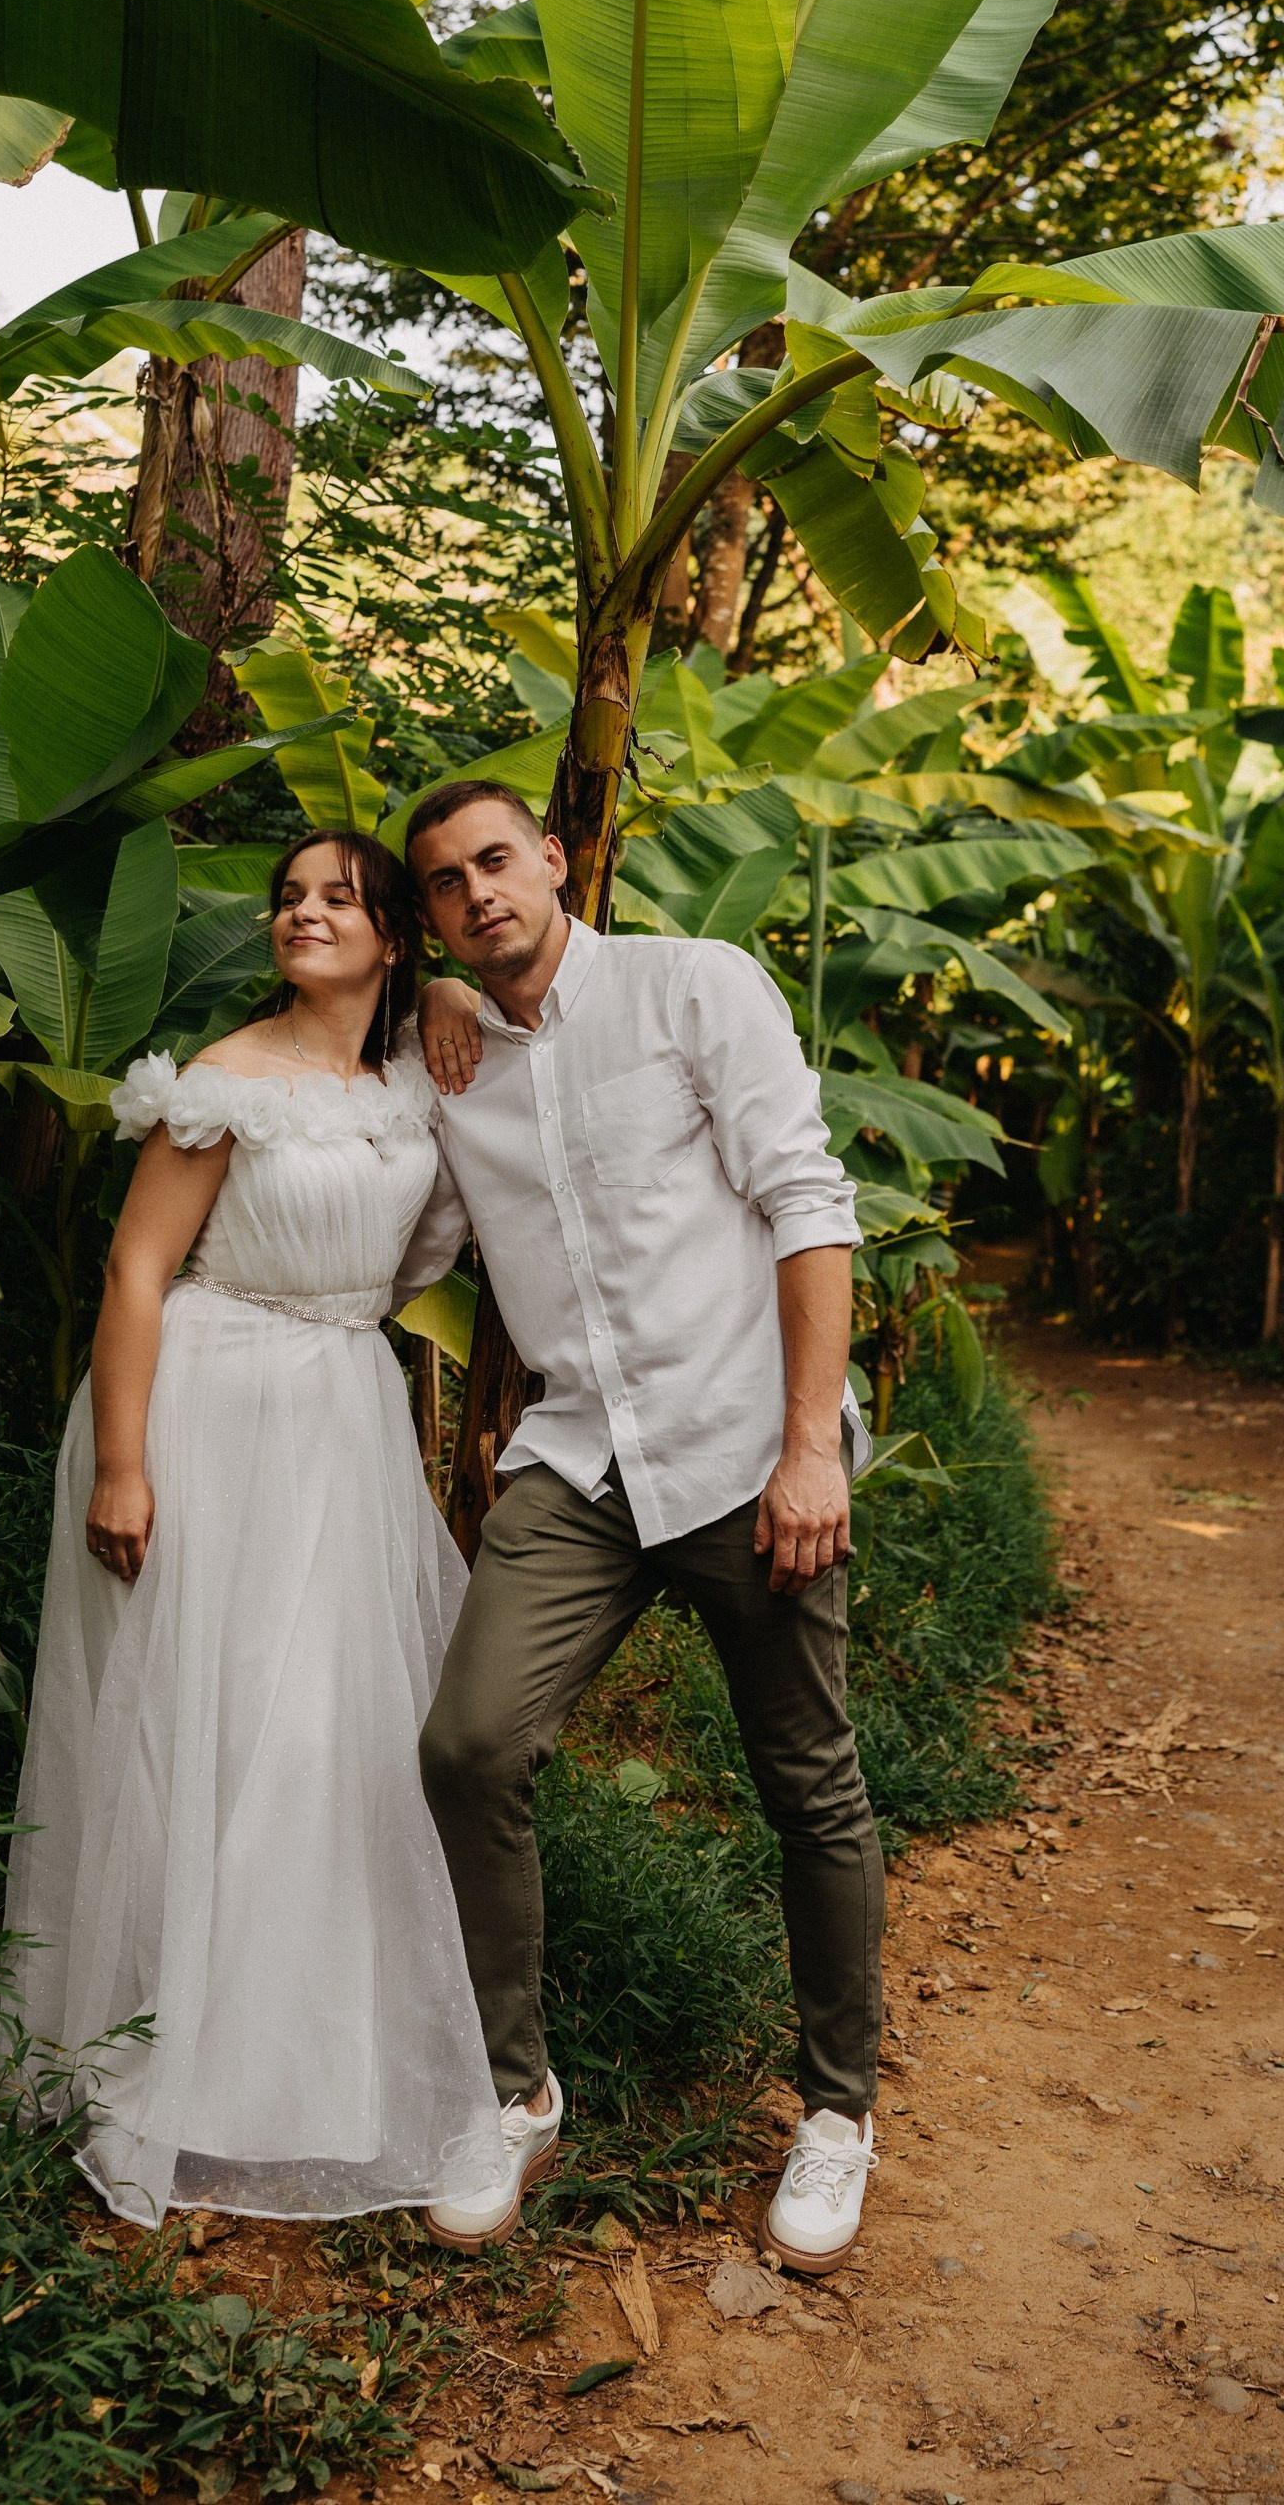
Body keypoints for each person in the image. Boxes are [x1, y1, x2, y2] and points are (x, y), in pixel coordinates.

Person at [393, 783, 884, 2275]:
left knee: (809, 1781)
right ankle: (518, 2090)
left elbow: (807, 1203)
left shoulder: (691, 985)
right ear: (429, 920)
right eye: (444, 886)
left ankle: (839, 2114)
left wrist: (812, 1452)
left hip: (747, 1453)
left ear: (555, 858)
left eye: (498, 858)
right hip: (580, 1461)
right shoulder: (447, 1065)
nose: (479, 893)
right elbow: (406, 1237)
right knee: (467, 1744)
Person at [0, 830, 506, 2229]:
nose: (304, 914)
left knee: (325, 1742)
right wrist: (119, 1461)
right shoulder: (222, 1083)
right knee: (195, 1738)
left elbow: (443, 1216)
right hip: (203, 1417)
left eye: (339, 898)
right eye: (290, 898)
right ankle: (167, 2067)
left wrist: (453, 999)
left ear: (395, 934)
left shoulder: (417, 1087)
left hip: (342, 1414)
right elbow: (137, 1266)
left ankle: (305, 2073)